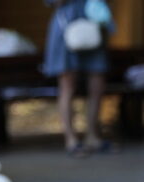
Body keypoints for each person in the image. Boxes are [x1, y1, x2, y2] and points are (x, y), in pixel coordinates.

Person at [43, 0, 116, 157]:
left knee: (97, 85)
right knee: (67, 86)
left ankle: (93, 135)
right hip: (66, 24)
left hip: (93, 21)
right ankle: (71, 139)